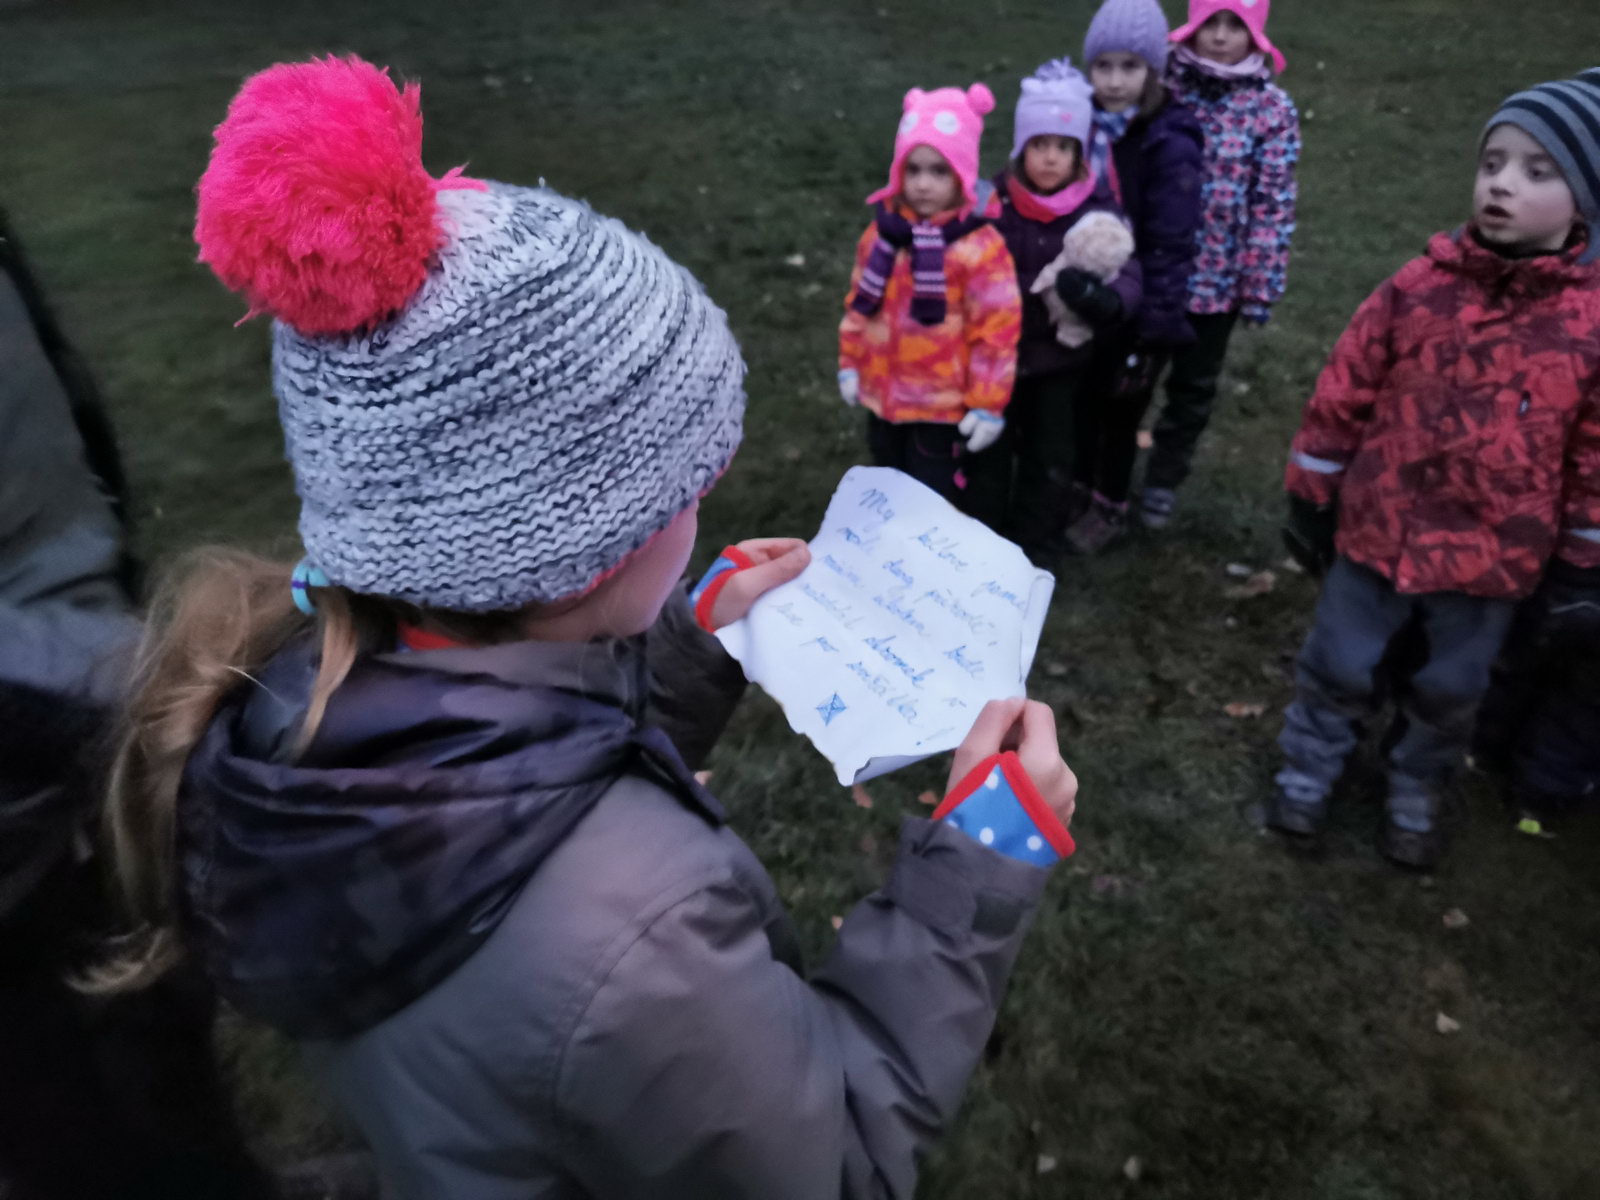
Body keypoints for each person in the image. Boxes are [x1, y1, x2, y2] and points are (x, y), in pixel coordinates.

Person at [91, 56, 1082, 1199]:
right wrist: (982, 859)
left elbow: (506, 775)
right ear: (593, 548)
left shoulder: (287, 699)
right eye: (687, 485)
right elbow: (834, 1160)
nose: (702, 502)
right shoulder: (640, 936)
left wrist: (691, 648)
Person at [0, 210, 275, 1199]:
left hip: (69, 721)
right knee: (99, 1103)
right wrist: (174, 701)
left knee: (152, 1027)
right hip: (33, 802)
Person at [1270, 69, 1600, 869]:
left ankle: (1416, 782)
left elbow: (1593, 452)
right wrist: (1313, 489)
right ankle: (1308, 767)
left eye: (1537, 170)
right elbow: (1344, 388)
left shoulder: (1589, 326)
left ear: (1586, 203)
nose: (1502, 184)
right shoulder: (1419, 288)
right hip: (1379, 528)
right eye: (1493, 162)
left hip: (1492, 558)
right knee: (1338, 662)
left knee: (1451, 688)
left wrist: (1582, 560)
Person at [968, 59, 1141, 561]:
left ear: (1079, 154)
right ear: (1021, 149)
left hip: (1059, 364)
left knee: (1050, 457)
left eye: (1063, 148)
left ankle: (1033, 548)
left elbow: (1128, 269)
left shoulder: (1096, 211)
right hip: (995, 360)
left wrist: (1109, 301)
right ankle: (976, 544)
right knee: (986, 455)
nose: (1050, 158)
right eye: (1039, 145)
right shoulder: (992, 203)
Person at [1139, 0, 1300, 530]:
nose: (1221, 36)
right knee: (1129, 377)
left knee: (1192, 388)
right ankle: (1102, 475)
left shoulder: (1271, 110)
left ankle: (1163, 479)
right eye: (1212, 22)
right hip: (1154, 268)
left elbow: (1272, 203)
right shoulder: (1165, 87)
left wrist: (1259, 285)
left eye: (1236, 25)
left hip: (1218, 282)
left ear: (1256, 34)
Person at [838, 83, 1021, 508]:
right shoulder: (882, 236)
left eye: (939, 171)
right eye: (913, 170)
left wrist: (988, 403)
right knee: (886, 484)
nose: (922, 184)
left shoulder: (979, 249)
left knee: (930, 498)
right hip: (883, 396)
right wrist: (851, 362)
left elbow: (997, 333)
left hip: (939, 407)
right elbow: (860, 305)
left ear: (963, 175)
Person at [1065, 0, 1204, 554]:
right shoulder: (1080, 125)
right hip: (1086, 291)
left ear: (1153, 70)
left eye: (1130, 67)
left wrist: (1153, 329)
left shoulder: (1169, 141)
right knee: (1081, 398)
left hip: (1141, 304)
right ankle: (1076, 486)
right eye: (1104, 66)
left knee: (1121, 411)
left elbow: (1172, 242)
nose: (1115, 80)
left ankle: (1109, 504)